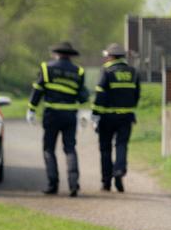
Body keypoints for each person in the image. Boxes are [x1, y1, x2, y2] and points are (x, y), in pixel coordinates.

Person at [27, 40, 89, 196]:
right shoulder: (79, 71)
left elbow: (38, 90)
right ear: (70, 55)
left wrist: (31, 110)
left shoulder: (46, 68)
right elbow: (83, 97)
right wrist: (84, 113)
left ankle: (52, 184)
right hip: (70, 115)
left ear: (56, 54)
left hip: (52, 115)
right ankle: (74, 184)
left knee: (49, 149)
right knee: (70, 148)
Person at [91, 43, 141, 192]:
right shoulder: (133, 72)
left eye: (107, 55)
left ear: (111, 56)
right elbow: (136, 95)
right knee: (121, 145)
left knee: (105, 149)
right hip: (126, 116)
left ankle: (106, 182)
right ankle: (119, 171)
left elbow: (100, 94)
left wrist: (95, 115)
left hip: (107, 117)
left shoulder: (106, 71)